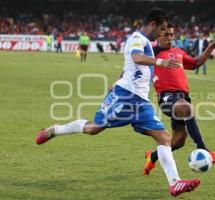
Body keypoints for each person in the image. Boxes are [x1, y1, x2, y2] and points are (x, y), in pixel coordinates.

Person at [35, 9, 200, 197]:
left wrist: (117, 79)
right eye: (161, 29)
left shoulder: (147, 42)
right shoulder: (137, 38)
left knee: (164, 137)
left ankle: (175, 183)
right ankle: (55, 130)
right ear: (152, 24)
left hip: (141, 101)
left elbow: (130, 67)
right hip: (126, 96)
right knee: (93, 128)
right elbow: (136, 58)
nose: (162, 33)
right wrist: (160, 63)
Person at [143, 23, 215, 176]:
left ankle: (152, 156)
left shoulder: (178, 51)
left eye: (172, 34)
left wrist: (211, 47)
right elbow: (133, 63)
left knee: (178, 142)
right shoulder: (151, 52)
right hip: (167, 97)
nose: (170, 38)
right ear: (158, 35)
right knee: (186, 109)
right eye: (166, 34)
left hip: (182, 98)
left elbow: (196, 63)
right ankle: (203, 149)